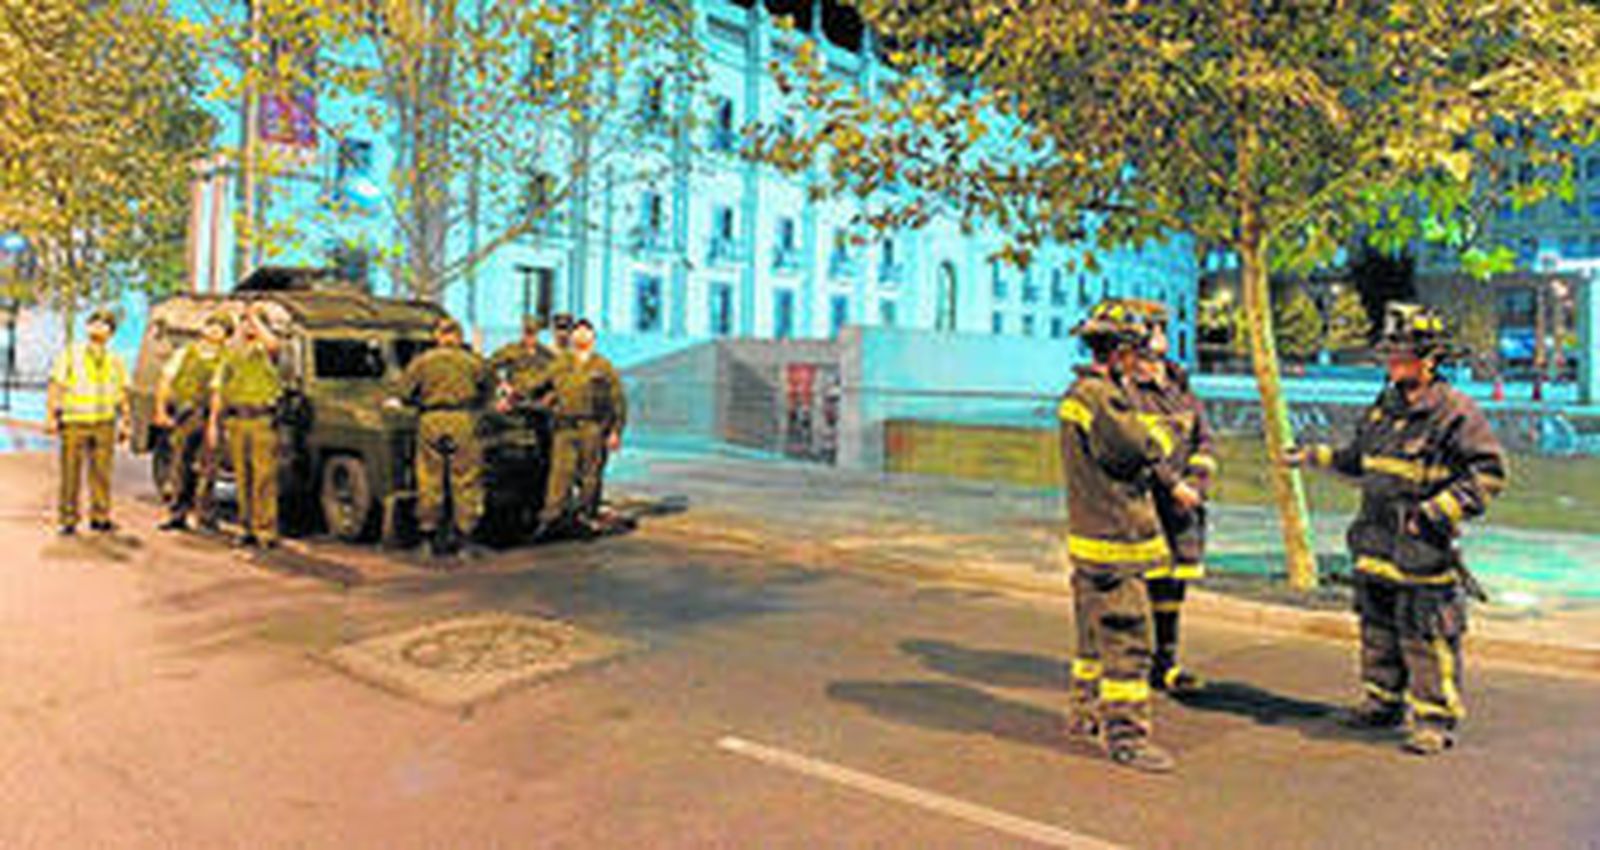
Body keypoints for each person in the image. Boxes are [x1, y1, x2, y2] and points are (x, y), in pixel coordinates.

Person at [1286, 303, 1508, 756]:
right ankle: (1382, 702)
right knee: (1377, 628)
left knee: (1425, 635)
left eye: (1401, 355)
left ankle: (1433, 718)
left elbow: (1489, 473)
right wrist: (1314, 457)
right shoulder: (1383, 408)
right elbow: (1358, 460)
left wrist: (1440, 510)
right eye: (1389, 355)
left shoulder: (1454, 412)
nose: (1392, 364)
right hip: (1375, 539)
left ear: (1429, 358)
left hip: (1422, 545)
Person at [1059, 299, 1182, 773]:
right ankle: (1126, 736)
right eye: (1136, 351)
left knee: (1092, 637)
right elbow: (1137, 450)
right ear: (1120, 352)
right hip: (1115, 541)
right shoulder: (1103, 398)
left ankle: (1085, 711)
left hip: (1091, 538)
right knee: (1129, 639)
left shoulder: (1081, 393)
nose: (1141, 360)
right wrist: (1166, 432)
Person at [1126, 300, 1214, 694]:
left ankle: (1166, 664)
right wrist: (1172, 484)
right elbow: (1135, 448)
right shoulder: (1125, 393)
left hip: (1181, 509)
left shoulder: (1181, 389)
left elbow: (1205, 438)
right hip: (1142, 506)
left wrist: (1196, 483)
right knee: (1135, 590)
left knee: (1171, 589)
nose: (1141, 363)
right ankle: (1131, 666)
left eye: (1147, 353)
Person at [398, 316, 491, 557]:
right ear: (459, 337)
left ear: (438, 336)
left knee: (430, 479)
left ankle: (428, 539)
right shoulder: (472, 362)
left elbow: (404, 392)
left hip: (431, 420)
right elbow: (487, 390)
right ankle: (465, 540)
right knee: (465, 478)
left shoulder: (423, 362)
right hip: (463, 420)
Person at [538, 318, 626, 537]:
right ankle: (552, 519)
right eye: (577, 333)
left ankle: (586, 517)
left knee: (590, 475)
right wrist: (512, 392)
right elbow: (538, 383)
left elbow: (618, 400)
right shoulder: (560, 364)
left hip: (592, 427)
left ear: (593, 338)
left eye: (586, 333)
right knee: (560, 475)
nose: (581, 337)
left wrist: (615, 431)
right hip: (564, 427)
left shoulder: (603, 367)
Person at [46, 309, 131, 535]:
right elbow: (57, 385)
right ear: (87, 327)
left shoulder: (116, 360)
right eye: (94, 323)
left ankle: (100, 516)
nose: (98, 328)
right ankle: (68, 518)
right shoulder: (71, 354)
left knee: (102, 473)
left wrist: (125, 421)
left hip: (104, 422)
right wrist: (51, 416)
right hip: (74, 420)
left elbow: (122, 392)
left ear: (111, 333)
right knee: (70, 472)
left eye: (104, 325)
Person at [207, 305, 285, 549]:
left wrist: (255, 316)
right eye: (245, 322)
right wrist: (213, 424)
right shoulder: (231, 354)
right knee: (242, 478)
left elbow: (274, 346)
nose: (249, 327)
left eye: (254, 323)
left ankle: (266, 530)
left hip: (262, 420)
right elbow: (218, 389)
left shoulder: (268, 351)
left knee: (264, 477)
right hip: (237, 420)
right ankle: (246, 527)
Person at [153, 311, 233, 532]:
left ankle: (205, 516)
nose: (215, 330)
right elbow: (165, 380)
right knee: (180, 464)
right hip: (186, 414)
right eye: (212, 325)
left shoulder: (229, 358)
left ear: (227, 335)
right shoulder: (185, 353)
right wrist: (160, 410)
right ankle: (177, 513)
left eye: (222, 328)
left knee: (209, 468)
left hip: (214, 416)